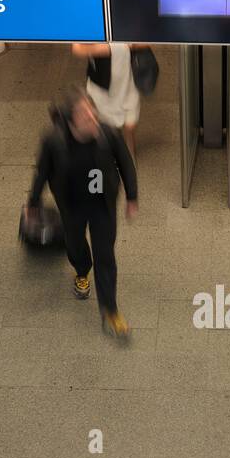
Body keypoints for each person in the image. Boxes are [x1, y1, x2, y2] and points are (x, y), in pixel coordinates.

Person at [25, 85, 138, 340]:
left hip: (102, 206)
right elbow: (41, 172)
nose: (93, 119)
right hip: (72, 206)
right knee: (75, 245)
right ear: (73, 120)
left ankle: (110, 310)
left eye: (93, 113)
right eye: (86, 116)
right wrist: (33, 203)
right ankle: (81, 270)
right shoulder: (54, 141)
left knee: (105, 255)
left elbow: (126, 162)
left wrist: (132, 196)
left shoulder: (107, 134)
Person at [71, 41, 151, 160]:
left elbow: (149, 41)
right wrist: (108, 49)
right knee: (106, 124)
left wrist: (127, 46)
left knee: (130, 124)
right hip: (102, 86)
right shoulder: (94, 25)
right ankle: (110, 151)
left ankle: (129, 148)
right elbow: (77, 48)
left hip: (128, 83)